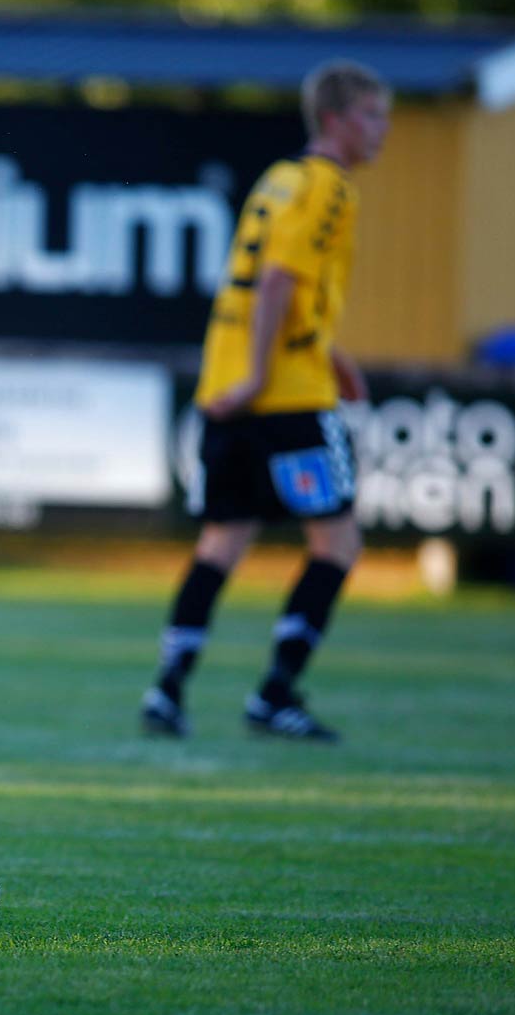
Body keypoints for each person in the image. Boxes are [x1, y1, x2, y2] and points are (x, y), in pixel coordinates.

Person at [139, 60, 391, 744]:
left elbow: (268, 284)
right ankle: (276, 693)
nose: (382, 129)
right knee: (337, 542)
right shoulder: (329, 187)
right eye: (372, 115)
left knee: (223, 540)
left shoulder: (278, 178)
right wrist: (260, 377)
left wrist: (329, 357)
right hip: (282, 397)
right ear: (335, 119)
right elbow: (279, 280)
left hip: (230, 388)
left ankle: (168, 687)